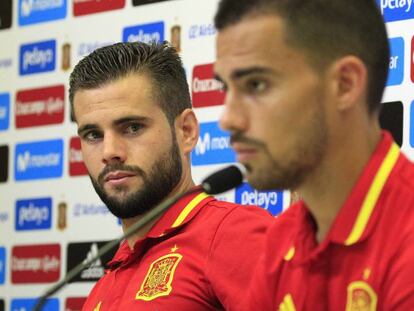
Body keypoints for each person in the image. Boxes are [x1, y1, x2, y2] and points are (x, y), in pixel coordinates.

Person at [213, 0, 414, 310]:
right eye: (225, 87)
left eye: (256, 84)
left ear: (344, 85)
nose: (228, 119)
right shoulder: (284, 237)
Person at [69, 41, 273, 311]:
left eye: (132, 127)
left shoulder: (231, 234)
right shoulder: (102, 289)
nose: (109, 152)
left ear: (186, 131)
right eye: (93, 135)